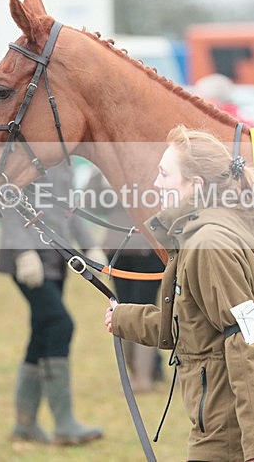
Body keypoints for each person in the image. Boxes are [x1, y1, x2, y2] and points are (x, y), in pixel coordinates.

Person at [104, 126, 254, 462]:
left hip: (240, 440)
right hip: (229, 430)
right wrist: (124, 318)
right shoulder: (204, 235)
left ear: (196, 186)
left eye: (164, 173)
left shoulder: (208, 245)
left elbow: (247, 338)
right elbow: (192, 327)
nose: (155, 184)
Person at [0, 164, 104, 446]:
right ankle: (65, 423)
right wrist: (22, 251)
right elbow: (8, 204)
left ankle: (25, 424)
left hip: (55, 260)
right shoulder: (22, 154)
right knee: (60, 324)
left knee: (43, 330)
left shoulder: (61, 159)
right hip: (28, 260)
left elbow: (69, 208)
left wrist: (89, 244)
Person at [84, 168, 165, 393]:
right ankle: (137, 375)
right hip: (117, 249)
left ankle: (144, 377)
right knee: (123, 308)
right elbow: (92, 204)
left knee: (144, 308)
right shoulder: (110, 167)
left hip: (148, 251)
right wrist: (99, 179)